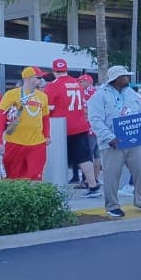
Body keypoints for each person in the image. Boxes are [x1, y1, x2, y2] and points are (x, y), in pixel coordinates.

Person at [87, 66, 141, 218]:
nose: (128, 79)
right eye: (124, 76)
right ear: (116, 79)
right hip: (112, 143)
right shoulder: (99, 96)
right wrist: (109, 137)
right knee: (112, 174)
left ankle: (140, 200)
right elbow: (95, 120)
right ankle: (112, 205)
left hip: (134, 140)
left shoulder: (132, 93)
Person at [44, 58, 101, 197]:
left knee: (59, 159)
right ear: (66, 69)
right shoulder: (76, 83)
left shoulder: (52, 86)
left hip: (61, 127)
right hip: (80, 125)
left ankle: (59, 188)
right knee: (85, 157)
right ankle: (93, 186)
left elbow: (48, 109)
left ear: (54, 71)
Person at [0, 68, 52, 180]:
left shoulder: (43, 96)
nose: (41, 80)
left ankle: (35, 197)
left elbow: (45, 118)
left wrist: (47, 135)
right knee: (11, 178)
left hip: (37, 143)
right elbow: (0, 118)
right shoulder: (11, 94)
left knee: (36, 177)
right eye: (38, 77)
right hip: (15, 142)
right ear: (29, 78)